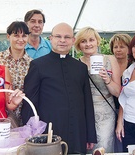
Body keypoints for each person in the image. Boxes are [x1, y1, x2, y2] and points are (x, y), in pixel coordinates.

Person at [21, 23, 97, 154]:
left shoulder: (80, 67)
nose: (62, 40)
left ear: (73, 41)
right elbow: (29, 104)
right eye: (58, 36)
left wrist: (90, 134)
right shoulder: (38, 65)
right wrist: (31, 133)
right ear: (51, 38)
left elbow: (88, 103)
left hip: (77, 130)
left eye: (67, 37)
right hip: (49, 131)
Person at [74, 27, 121, 153]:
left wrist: (107, 80)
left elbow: (117, 92)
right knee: (87, 147)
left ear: (97, 41)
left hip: (105, 110)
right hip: (84, 112)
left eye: (91, 40)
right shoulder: (76, 64)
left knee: (103, 146)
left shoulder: (110, 59)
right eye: (83, 41)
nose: (88, 44)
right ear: (79, 45)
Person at [0, 21, 33, 127]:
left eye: (24, 36)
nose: (20, 40)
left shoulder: (32, 63)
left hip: (24, 114)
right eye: (16, 35)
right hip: (1, 113)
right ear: (8, 36)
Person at [109, 33, 132, 152]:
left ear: (129, 49)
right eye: (115, 47)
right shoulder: (108, 64)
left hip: (128, 110)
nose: (118, 50)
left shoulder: (133, 66)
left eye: (122, 47)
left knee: (123, 139)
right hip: (110, 107)